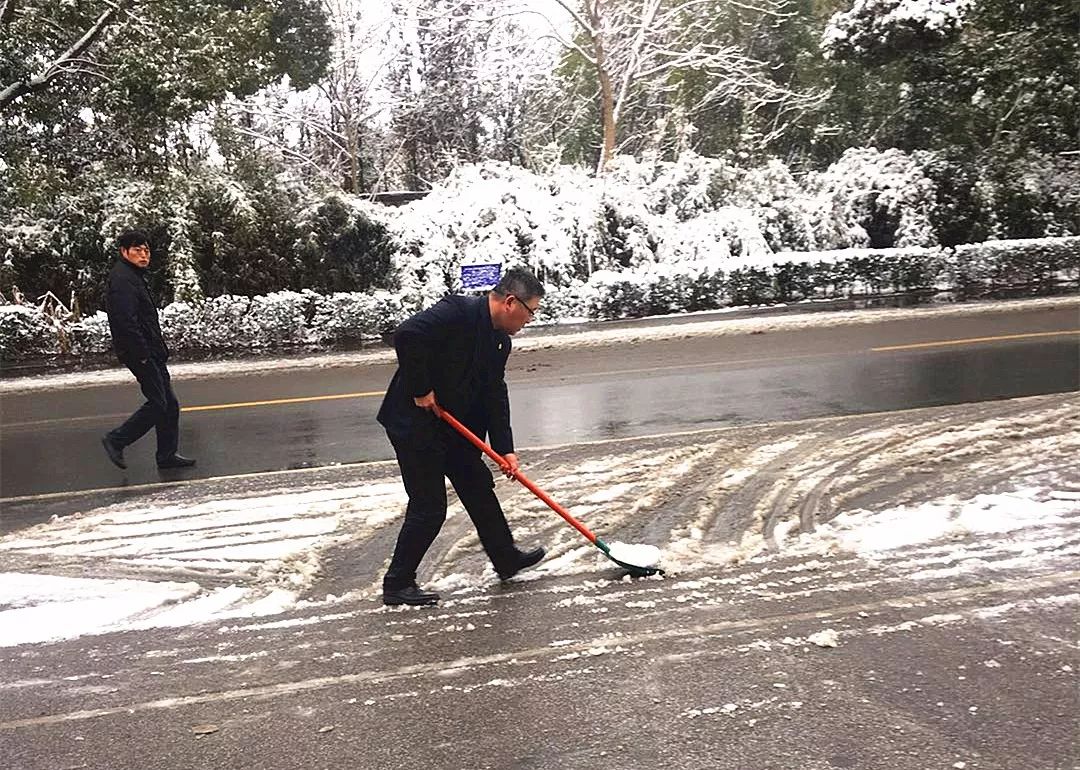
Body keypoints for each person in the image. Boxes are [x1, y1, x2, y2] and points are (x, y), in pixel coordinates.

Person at [377, 267, 547, 606]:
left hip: (453, 428)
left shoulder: (500, 342)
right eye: (530, 313)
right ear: (510, 302)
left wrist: (505, 450)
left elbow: (494, 395)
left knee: (477, 487)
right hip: (415, 424)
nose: (529, 321)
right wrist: (420, 388)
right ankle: (397, 583)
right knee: (429, 507)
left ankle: (506, 559)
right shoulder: (458, 312)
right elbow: (407, 335)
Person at [100, 230, 195, 471]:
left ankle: (166, 455)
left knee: (169, 404)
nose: (144, 255)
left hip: (150, 351)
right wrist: (141, 353)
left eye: (146, 250)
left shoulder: (133, 276)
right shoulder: (122, 279)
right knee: (158, 403)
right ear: (124, 252)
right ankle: (116, 440)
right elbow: (125, 321)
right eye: (137, 250)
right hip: (140, 353)